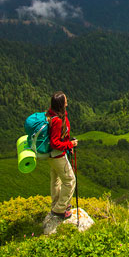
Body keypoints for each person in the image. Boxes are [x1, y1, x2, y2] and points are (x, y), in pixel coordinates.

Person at [47, 91, 78, 219]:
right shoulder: (58, 121)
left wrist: (67, 145)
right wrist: (70, 145)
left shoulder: (51, 115)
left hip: (52, 156)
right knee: (70, 181)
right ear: (61, 103)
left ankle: (56, 204)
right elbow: (55, 142)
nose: (67, 101)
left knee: (56, 180)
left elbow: (59, 138)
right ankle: (60, 209)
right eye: (65, 99)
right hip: (58, 155)